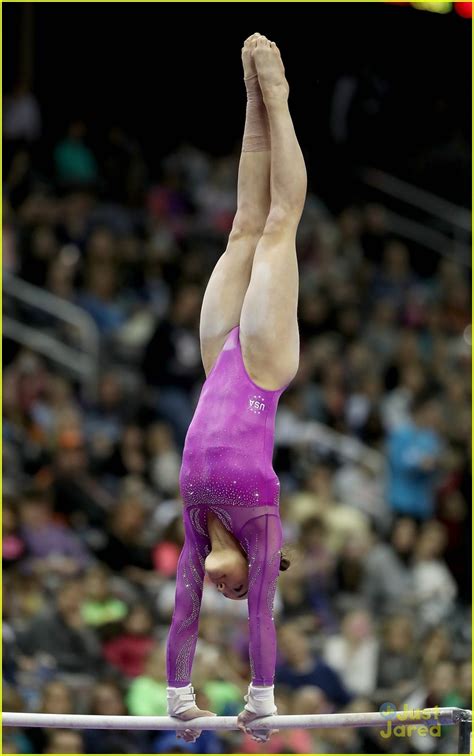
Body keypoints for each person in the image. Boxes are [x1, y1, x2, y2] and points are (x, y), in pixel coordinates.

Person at [164, 33, 307, 744]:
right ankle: (278, 99)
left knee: (243, 228)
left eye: (220, 589)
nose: (227, 593)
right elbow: (261, 615)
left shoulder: (195, 537)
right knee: (279, 226)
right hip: (261, 368)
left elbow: (183, 613)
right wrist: (262, 697)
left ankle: (250, 96)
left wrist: (179, 700)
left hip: (219, 357)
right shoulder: (260, 527)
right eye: (238, 586)